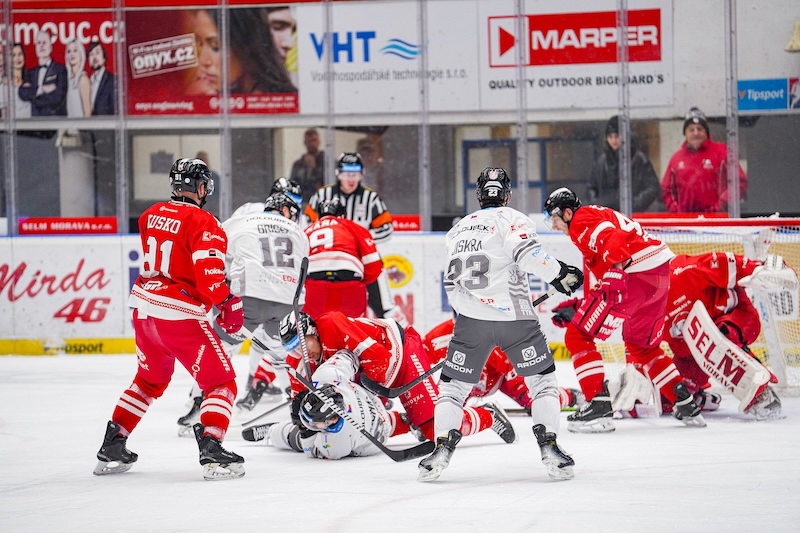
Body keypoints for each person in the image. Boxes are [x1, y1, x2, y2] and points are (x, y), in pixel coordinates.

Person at [418, 167, 584, 483]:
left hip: (470, 323)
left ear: (479, 196)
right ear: (506, 195)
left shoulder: (458, 229)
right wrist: (559, 274)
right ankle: (549, 446)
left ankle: (441, 448)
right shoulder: (513, 218)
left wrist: (468, 312)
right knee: (544, 385)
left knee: (452, 391)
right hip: (516, 321)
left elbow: (451, 280)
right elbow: (527, 254)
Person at [93, 157, 246, 481]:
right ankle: (212, 447)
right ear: (202, 187)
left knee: (149, 381)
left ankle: (114, 442)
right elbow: (208, 280)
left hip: (144, 313)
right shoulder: (205, 222)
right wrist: (227, 302)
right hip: (178, 316)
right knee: (221, 383)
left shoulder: (150, 215)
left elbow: (173, 261)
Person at [543, 187, 705, 434]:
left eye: (553, 218)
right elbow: (607, 269)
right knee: (642, 347)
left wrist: (616, 274)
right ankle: (683, 400)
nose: (553, 226)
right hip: (657, 277)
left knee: (577, 336)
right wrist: (579, 308)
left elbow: (613, 238)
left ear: (567, 212)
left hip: (634, 275)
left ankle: (598, 404)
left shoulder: (581, 220)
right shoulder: (594, 216)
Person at [176, 177, 304, 433]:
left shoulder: (246, 216)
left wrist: (221, 282)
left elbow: (217, 244)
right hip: (287, 304)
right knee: (283, 356)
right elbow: (303, 271)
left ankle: (197, 405)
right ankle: (299, 403)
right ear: (288, 210)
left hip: (249, 298)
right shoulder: (298, 230)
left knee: (218, 351)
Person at [279, 311, 518, 446]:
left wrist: (368, 396)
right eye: (292, 349)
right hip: (375, 377)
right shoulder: (299, 361)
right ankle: (409, 420)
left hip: (403, 355)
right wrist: (300, 416)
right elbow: (299, 398)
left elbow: (380, 361)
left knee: (438, 431)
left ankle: (488, 414)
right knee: (416, 431)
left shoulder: (330, 324)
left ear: (312, 331)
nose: (300, 353)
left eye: (301, 344)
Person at [662, 252, 784, 420]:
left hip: (736, 317)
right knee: (670, 398)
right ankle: (699, 397)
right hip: (694, 351)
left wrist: (772, 269)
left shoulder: (686, 271)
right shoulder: (638, 307)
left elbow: (738, 265)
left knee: (720, 337)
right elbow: (642, 351)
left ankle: (762, 391)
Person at [305, 152, 402, 324]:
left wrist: (358, 242)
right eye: (347, 174)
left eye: (355, 175)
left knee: (383, 307)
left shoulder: (370, 198)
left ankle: (396, 335)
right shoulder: (322, 195)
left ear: (361, 174)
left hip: (361, 257)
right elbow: (305, 223)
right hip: (340, 260)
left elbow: (386, 229)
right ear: (338, 174)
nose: (351, 179)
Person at [423, 316, 584, 414]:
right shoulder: (442, 334)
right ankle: (482, 414)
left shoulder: (491, 333)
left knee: (536, 402)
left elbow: (512, 368)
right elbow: (419, 361)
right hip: (465, 383)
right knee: (439, 409)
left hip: (500, 377)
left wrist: (524, 391)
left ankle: (572, 396)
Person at [266, 349, 393, 460]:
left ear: (333, 419)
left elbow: (310, 450)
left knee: (297, 438)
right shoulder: (329, 374)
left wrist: (304, 430)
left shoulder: (336, 444)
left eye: (313, 423)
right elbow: (349, 355)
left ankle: (271, 432)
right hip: (371, 402)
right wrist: (374, 385)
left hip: (375, 438)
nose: (311, 425)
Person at [302, 196, 383, 319]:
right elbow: (374, 266)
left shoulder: (306, 231)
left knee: (313, 331)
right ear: (343, 215)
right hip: (349, 288)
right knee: (350, 331)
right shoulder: (353, 227)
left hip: (313, 289)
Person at [184, 8, 296, 96]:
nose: (204, 61)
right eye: (200, 45)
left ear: (246, 45)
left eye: (216, 46)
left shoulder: (277, 104)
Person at [661, 107, 748, 213]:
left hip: (717, 223)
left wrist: (720, 207)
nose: (696, 133)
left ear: (706, 132)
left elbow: (738, 183)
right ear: (685, 134)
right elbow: (666, 190)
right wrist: (677, 211)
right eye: (691, 129)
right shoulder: (676, 159)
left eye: (700, 129)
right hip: (685, 224)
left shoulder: (722, 152)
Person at [587, 115, 660, 212]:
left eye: (617, 136)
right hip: (607, 217)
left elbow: (653, 187)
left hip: (631, 217)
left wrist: (634, 205)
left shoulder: (639, 160)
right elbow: (591, 188)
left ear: (625, 136)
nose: (613, 140)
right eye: (610, 137)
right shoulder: (601, 162)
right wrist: (598, 204)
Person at [18, 29, 68, 116]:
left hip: (55, 123)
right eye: (39, 43)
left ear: (51, 47)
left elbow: (57, 98)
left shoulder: (60, 69)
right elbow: (22, 93)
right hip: (35, 124)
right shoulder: (30, 73)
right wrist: (42, 89)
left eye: (44, 42)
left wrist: (33, 95)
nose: (41, 46)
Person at [290, 128, 325, 204]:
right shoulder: (298, 165)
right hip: (304, 203)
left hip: (322, 201)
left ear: (319, 142)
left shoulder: (326, 163)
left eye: (314, 140)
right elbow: (294, 186)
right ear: (305, 142)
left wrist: (314, 169)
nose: (312, 144)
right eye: (309, 141)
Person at [87, 42, 116, 116]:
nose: (94, 57)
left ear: (104, 58)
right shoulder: (88, 82)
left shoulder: (112, 81)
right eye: (91, 54)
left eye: (97, 53)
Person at [64, 39, 91, 117]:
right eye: (69, 51)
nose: (72, 54)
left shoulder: (83, 79)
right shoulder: (67, 79)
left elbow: (87, 112)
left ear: (81, 54)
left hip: (80, 127)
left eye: (75, 50)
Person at [11, 43, 33, 118]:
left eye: (20, 54)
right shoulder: (5, 84)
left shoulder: (31, 80)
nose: (17, 58)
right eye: (14, 55)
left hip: (30, 126)